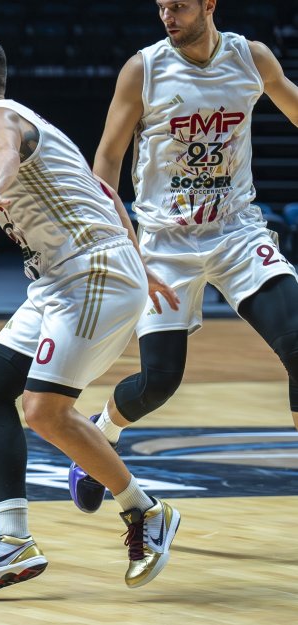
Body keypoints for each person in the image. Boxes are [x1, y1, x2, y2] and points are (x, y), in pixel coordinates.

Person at [0, 33, 181, 597]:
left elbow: (0, 153)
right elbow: (102, 192)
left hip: (89, 273)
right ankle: (13, 542)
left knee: (44, 410)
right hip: (61, 279)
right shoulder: (24, 119)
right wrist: (142, 260)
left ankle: (146, 511)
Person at [68, 0, 298, 514]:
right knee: (160, 382)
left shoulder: (251, 59)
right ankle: (100, 436)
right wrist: (110, 236)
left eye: (179, 6)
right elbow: (107, 156)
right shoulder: (143, 69)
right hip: (163, 243)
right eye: (161, 7)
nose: (167, 16)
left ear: (209, 4)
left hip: (236, 231)